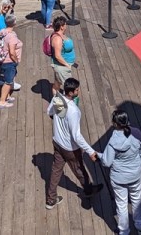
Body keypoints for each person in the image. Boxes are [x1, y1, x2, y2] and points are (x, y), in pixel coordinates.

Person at [45, 77, 102, 209]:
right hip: (70, 148)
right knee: (79, 169)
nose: (78, 91)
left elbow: (50, 112)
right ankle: (88, 190)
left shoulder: (57, 98)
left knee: (56, 170)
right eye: (77, 90)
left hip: (57, 142)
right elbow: (76, 136)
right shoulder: (74, 111)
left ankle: (51, 199)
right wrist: (91, 151)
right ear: (71, 93)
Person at [98, 109, 141, 235]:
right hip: (135, 173)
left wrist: (98, 155)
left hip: (119, 178)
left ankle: (124, 231)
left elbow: (107, 162)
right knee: (137, 199)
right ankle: (140, 227)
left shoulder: (113, 141)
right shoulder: (137, 133)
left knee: (121, 204)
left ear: (115, 123)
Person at [0, 14, 22, 109]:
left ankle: (7, 96)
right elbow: (12, 52)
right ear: (14, 23)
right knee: (8, 82)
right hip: (9, 62)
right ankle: (2, 102)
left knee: (9, 79)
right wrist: (16, 61)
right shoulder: (11, 37)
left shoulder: (3, 31)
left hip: (3, 60)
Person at [48, 15, 76, 96]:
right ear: (61, 27)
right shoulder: (57, 39)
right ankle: (67, 106)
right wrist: (67, 65)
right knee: (70, 88)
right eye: (65, 25)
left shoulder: (60, 35)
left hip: (62, 66)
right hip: (62, 67)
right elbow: (57, 56)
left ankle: (55, 101)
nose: (66, 26)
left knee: (57, 84)